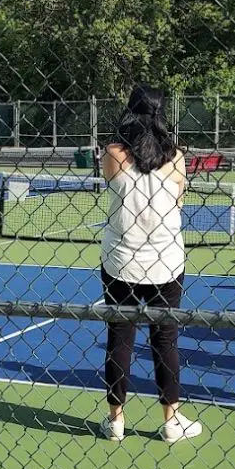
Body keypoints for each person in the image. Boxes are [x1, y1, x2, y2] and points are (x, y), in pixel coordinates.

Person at [99, 85, 201, 443]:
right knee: (166, 338)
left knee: (120, 337)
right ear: (161, 114)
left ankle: (116, 420)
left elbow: (116, 182)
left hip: (121, 259)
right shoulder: (176, 157)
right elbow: (179, 201)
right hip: (165, 260)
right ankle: (172, 421)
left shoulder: (111, 153)